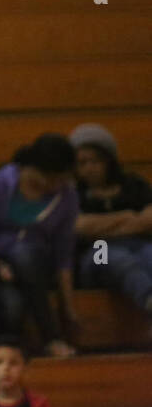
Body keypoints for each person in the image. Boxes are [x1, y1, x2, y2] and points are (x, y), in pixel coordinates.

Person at [0, 134, 80, 358]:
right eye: (51, 179)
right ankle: (8, 356)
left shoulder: (67, 196)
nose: (55, 186)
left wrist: (67, 307)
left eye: (62, 180)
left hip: (39, 266)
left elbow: (63, 254)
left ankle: (52, 337)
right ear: (31, 168)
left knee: (26, 254)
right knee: (12, 307)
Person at [69, 123, 152, 316]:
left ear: (108, 161)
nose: (89, 168)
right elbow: (80, 227)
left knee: (149, 255)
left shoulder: (133, 184)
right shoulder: (72, 193)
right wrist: (128, 217)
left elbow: (150, 218)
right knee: (117, 259)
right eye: (82, 163)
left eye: (95, 161)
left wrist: (101, 225)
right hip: (96, 250)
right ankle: (148, 299)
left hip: (138, 244)